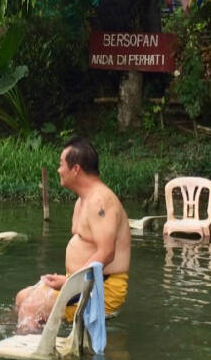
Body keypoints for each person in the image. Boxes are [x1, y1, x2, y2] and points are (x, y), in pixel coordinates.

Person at [15, 136, 131, 331]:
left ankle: (33, 357)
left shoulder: (100, 201)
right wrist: (67, 279)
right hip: (81, 281)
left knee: (32, 307)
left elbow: (106, 252)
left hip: (102, 288)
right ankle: (15, 336)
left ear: (76, 169)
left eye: (61, 164)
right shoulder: (82, 200)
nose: (59, 170)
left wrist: (69, 282)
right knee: (22, 297)